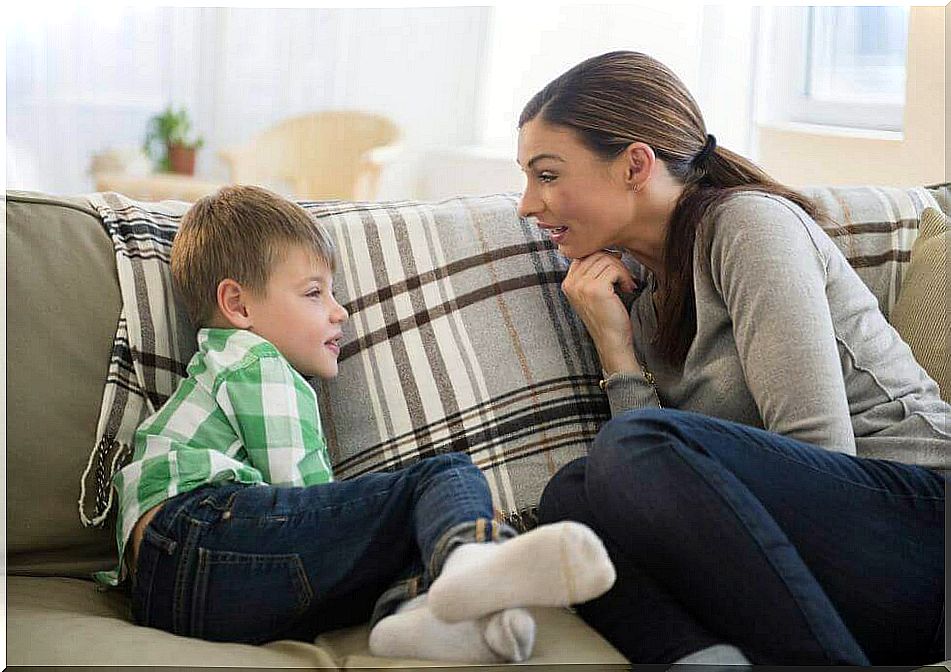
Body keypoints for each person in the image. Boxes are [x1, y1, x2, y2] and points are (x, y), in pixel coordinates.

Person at [514, 51, 949, 666]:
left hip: (923, 529)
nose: (527, 205)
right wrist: (618, 350)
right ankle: (706, 659)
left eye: (548, 175)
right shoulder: (636, 293)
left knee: (635, 446)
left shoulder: (748, 224)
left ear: (636, 164)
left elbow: (818, 456)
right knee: (571, 502)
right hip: (832, 570)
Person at [95, 184, 617, 662]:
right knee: (444, 474)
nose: (340, 311)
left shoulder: (218, 367)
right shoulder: (254, 361)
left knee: (403, 533)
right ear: (238, 304)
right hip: (198, 531)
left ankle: (412, 620)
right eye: (313, 292)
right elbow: (299, 488)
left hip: (175, 595)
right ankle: (471, 555)